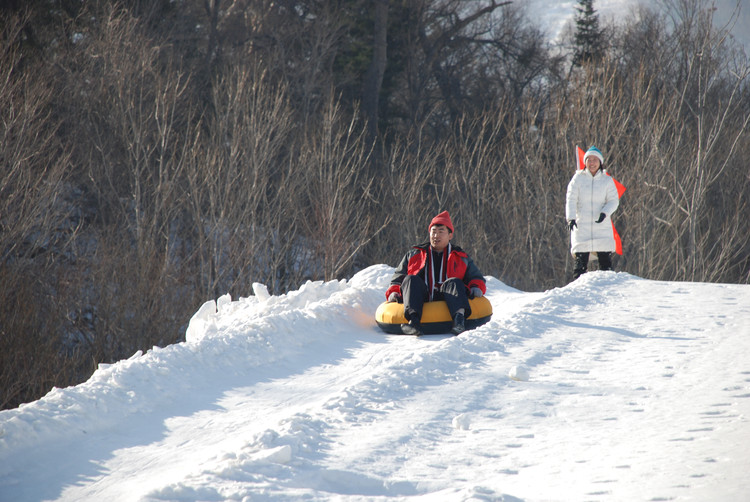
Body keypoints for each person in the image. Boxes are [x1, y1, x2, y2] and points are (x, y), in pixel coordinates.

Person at [385, 211, 486, 336]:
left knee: (454, 282)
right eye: (433, 231)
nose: (436, 235)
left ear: (450, 235)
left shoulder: (461, 257)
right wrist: (394, 291)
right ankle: (414, 321)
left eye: (441, 231)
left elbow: (476, 277)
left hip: (449, 297)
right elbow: (398, 277)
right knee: (411, 279)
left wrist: (476, 287)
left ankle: (459, 321)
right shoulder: (414, 254)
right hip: (423, 296)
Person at [565, 146, 620, 279]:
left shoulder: (607, 180)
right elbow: (571, 199)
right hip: (581, 227)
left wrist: (605, 213)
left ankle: (608, 290)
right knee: (580, 266)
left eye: (595, 160)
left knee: (605, 265)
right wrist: (571, 218)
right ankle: (577, 294)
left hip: (602, 228)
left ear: (600, 162)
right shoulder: (577, 179)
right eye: (589, 159)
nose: (592, 163)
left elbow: (613, 201)